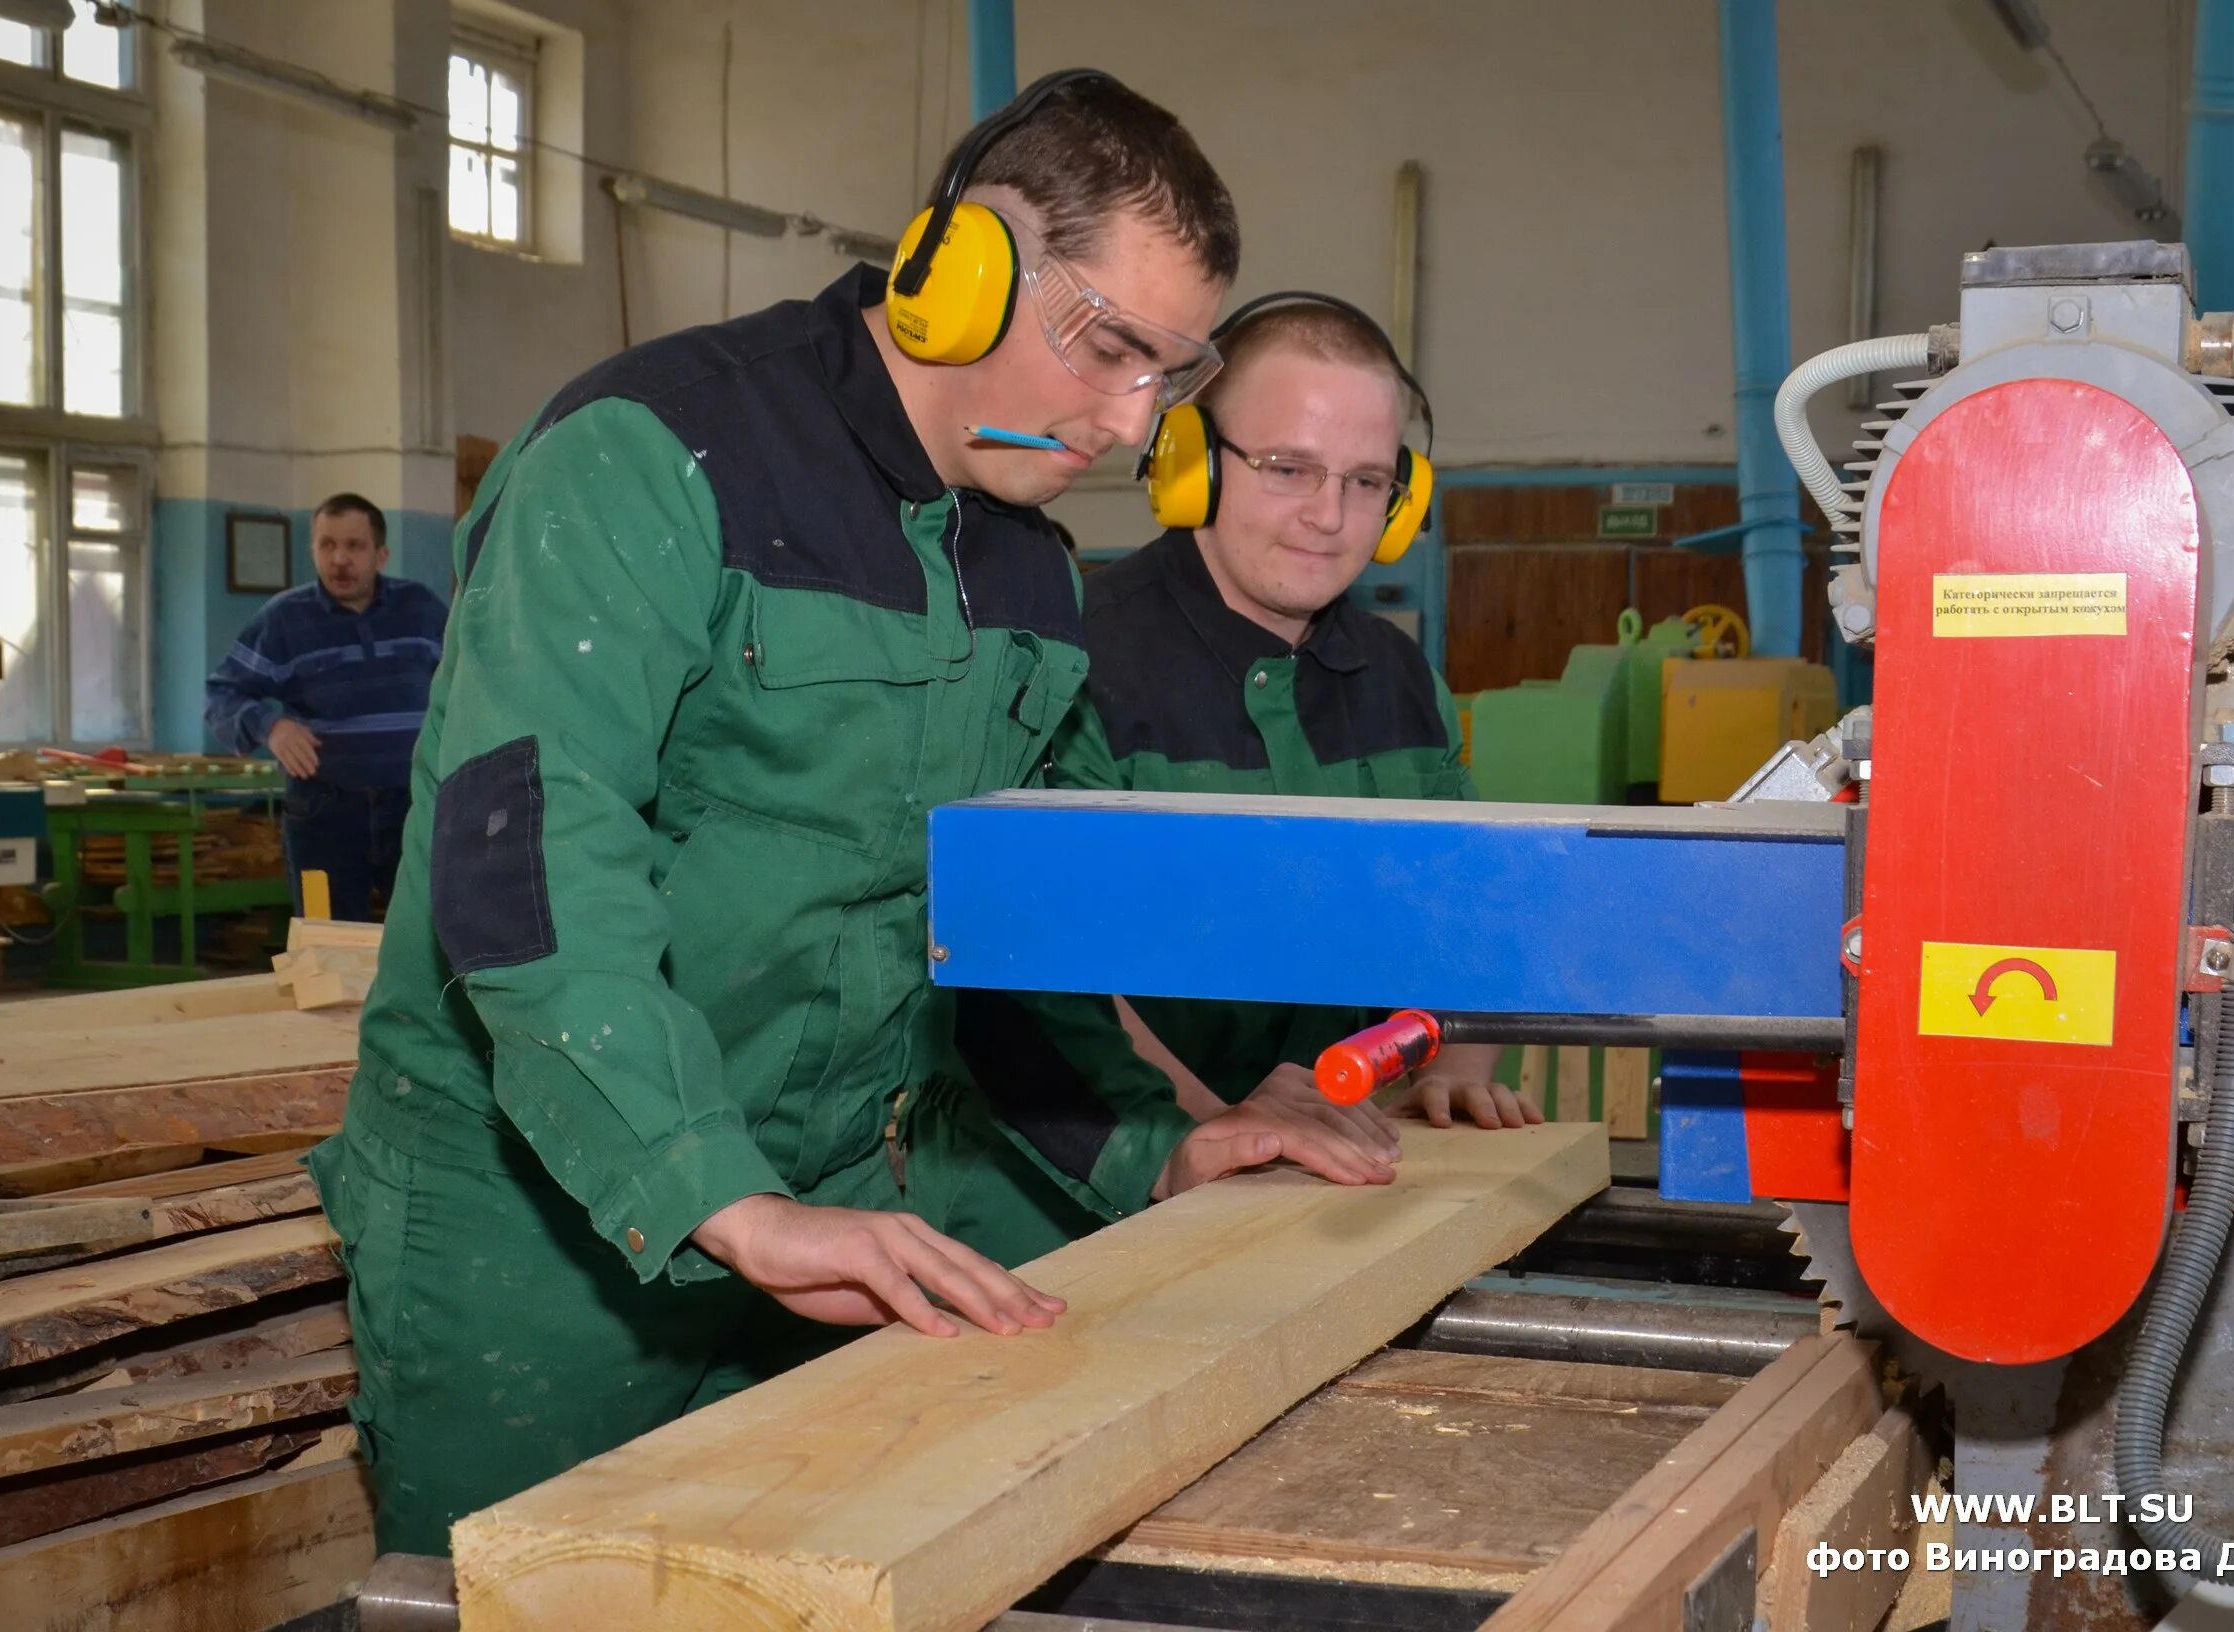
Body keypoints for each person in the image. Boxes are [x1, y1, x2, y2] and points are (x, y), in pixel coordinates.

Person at [305, 72, 1393, 1557]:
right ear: (962, 271)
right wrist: (724, 1200)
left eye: (1173, 376)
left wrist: (1166, 1147)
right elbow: (527, 871)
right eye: (1112, 349)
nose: (1137, 426)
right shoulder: (653, 456)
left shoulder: (1022, 565)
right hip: (546, 1229)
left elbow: (1011, 919)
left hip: (849, 1191)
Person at [917, 293, 1544, 1271]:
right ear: (1187, 461)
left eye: (1366, 481)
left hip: (1328, 1202)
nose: (1328, 516)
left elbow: (1458, 903)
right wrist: (1212, 1132)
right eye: (1286, 467)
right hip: (1073, 1222)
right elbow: (1037, 972)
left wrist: (1450, 1069)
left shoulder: (1394, 675)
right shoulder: (1073, 657)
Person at [203, 494, 447, 921]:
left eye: (354, 546)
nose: (339, 560)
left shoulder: (422, 611)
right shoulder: (284, 620)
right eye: (327, 545)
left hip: (414, 808)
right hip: (325, 813)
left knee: (425, 942)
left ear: (381, 554)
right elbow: (221, 695)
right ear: (312, 550)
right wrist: (271, 726)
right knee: (327, 946)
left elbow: (470, 683)